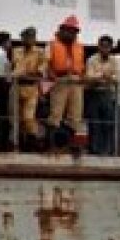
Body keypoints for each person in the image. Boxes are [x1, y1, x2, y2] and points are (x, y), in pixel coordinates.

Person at [46, 16, 87, 151]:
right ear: (62, 30)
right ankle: (52, 146)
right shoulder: (51, 45)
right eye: (69, 30)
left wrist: (82, 77)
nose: (72, 33)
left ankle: (66, 145)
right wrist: (52, 77)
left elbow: (81, 66)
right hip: (60, 80)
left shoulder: (79, 47)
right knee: (55, 115)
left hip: (76, 81)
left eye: (74, 31)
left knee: (75, 116)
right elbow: (46, 64)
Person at [12, 27, 47, 152]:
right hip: (16, 87)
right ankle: (19, 146)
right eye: (26, 37)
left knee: (28, 118)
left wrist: (30, 73)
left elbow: (41, 71)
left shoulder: (40, 52)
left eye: (31, 37)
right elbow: (13, 68)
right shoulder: (15, 51)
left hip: (32, 87)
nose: (28, 39)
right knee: (16, 119)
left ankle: (34, 145)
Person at [85, 35, 120, 156]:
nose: (105, 49)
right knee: (94, 123)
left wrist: (101, 77)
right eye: (102, 46)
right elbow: (89, 77)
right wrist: (104, 77)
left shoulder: (115, 60)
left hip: (108, 94)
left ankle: (107, 151)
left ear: (111, 48)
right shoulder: (91, 59)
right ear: (98, 46)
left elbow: (116, 78)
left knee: (108, 123)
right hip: (93, 92)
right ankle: (94, 150)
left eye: (107, 47)